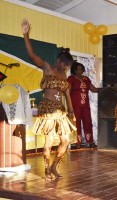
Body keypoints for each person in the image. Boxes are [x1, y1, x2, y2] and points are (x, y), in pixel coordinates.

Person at [21, 19, 76, 181]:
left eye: (67, 66)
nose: (66, 68)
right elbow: (31, 55)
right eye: (65, 65)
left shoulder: (64, 75)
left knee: (65, 141)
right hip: (47, 108)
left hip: (60, 110)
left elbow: (67, 94)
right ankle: (46, 170)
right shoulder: (47, 67)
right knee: (48, 141)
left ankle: (54, 166)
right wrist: (25, 34)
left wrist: (71, 112)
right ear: (59, 61)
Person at [68, 61, 98, 149]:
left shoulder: (86, 79)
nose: (79, 71)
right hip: (75, 105)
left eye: (81, 69)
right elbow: (67, 92)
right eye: (77, 69)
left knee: (88, 122)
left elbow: (94, 89)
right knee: (76, 123)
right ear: (74, 70)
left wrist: (104, 89)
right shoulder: (71, 79)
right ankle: (78, 142)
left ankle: (90, 141)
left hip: (85, 106)